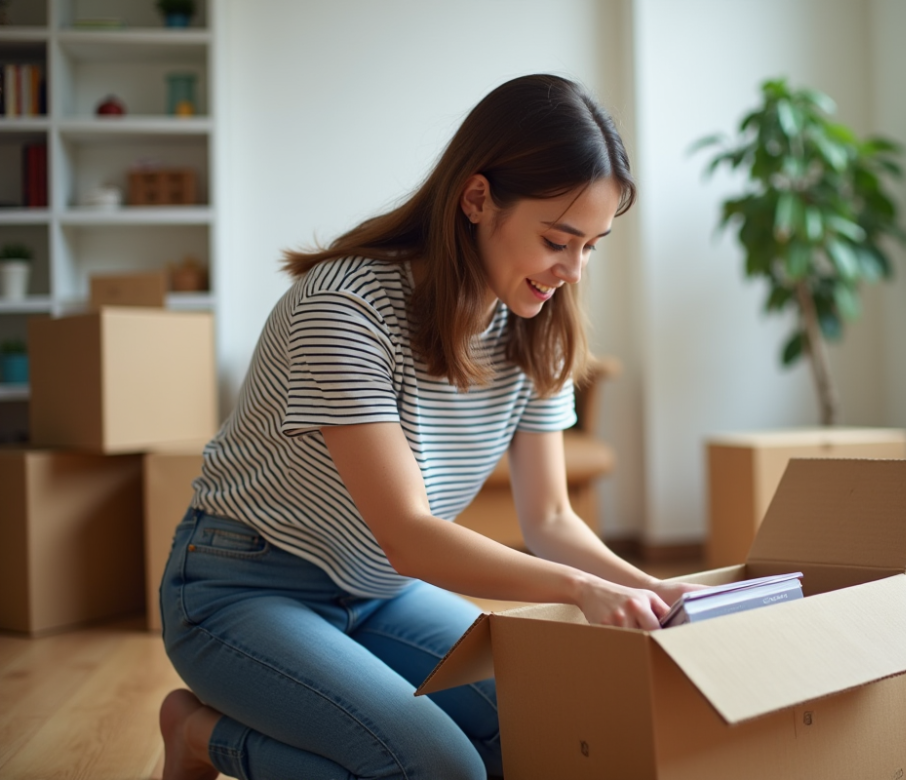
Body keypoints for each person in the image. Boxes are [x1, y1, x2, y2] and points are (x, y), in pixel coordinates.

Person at [157, 73, 700, 780]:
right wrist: (577, 591)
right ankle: (203, 737)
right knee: (442, 770)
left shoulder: (539, 331)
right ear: (477, 199)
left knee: (553, 730)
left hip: (378, 593)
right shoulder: (343, 309)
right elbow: (407, 534)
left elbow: (552, 517)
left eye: (592, 245)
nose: (572, 269)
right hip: (241, 585)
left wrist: (651, 591)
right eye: (557, 240)